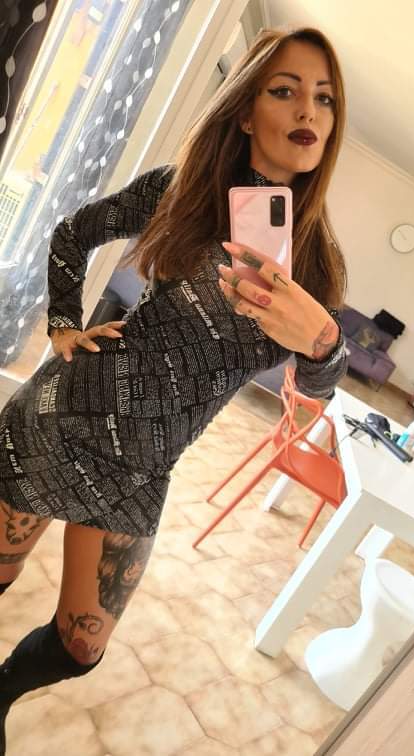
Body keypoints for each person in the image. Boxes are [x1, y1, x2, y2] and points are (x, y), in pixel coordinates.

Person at [0, 26, 348, 751]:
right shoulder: (181, 189)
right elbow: (72, 234)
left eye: (324, 98)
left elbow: (315, 387)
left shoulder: (315, 260)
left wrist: (323, 341)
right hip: (66, 419)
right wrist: (63, 324)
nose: (307, 110)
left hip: (143, 467)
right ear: (246, 111)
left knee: (81, 646)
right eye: (284, 90)